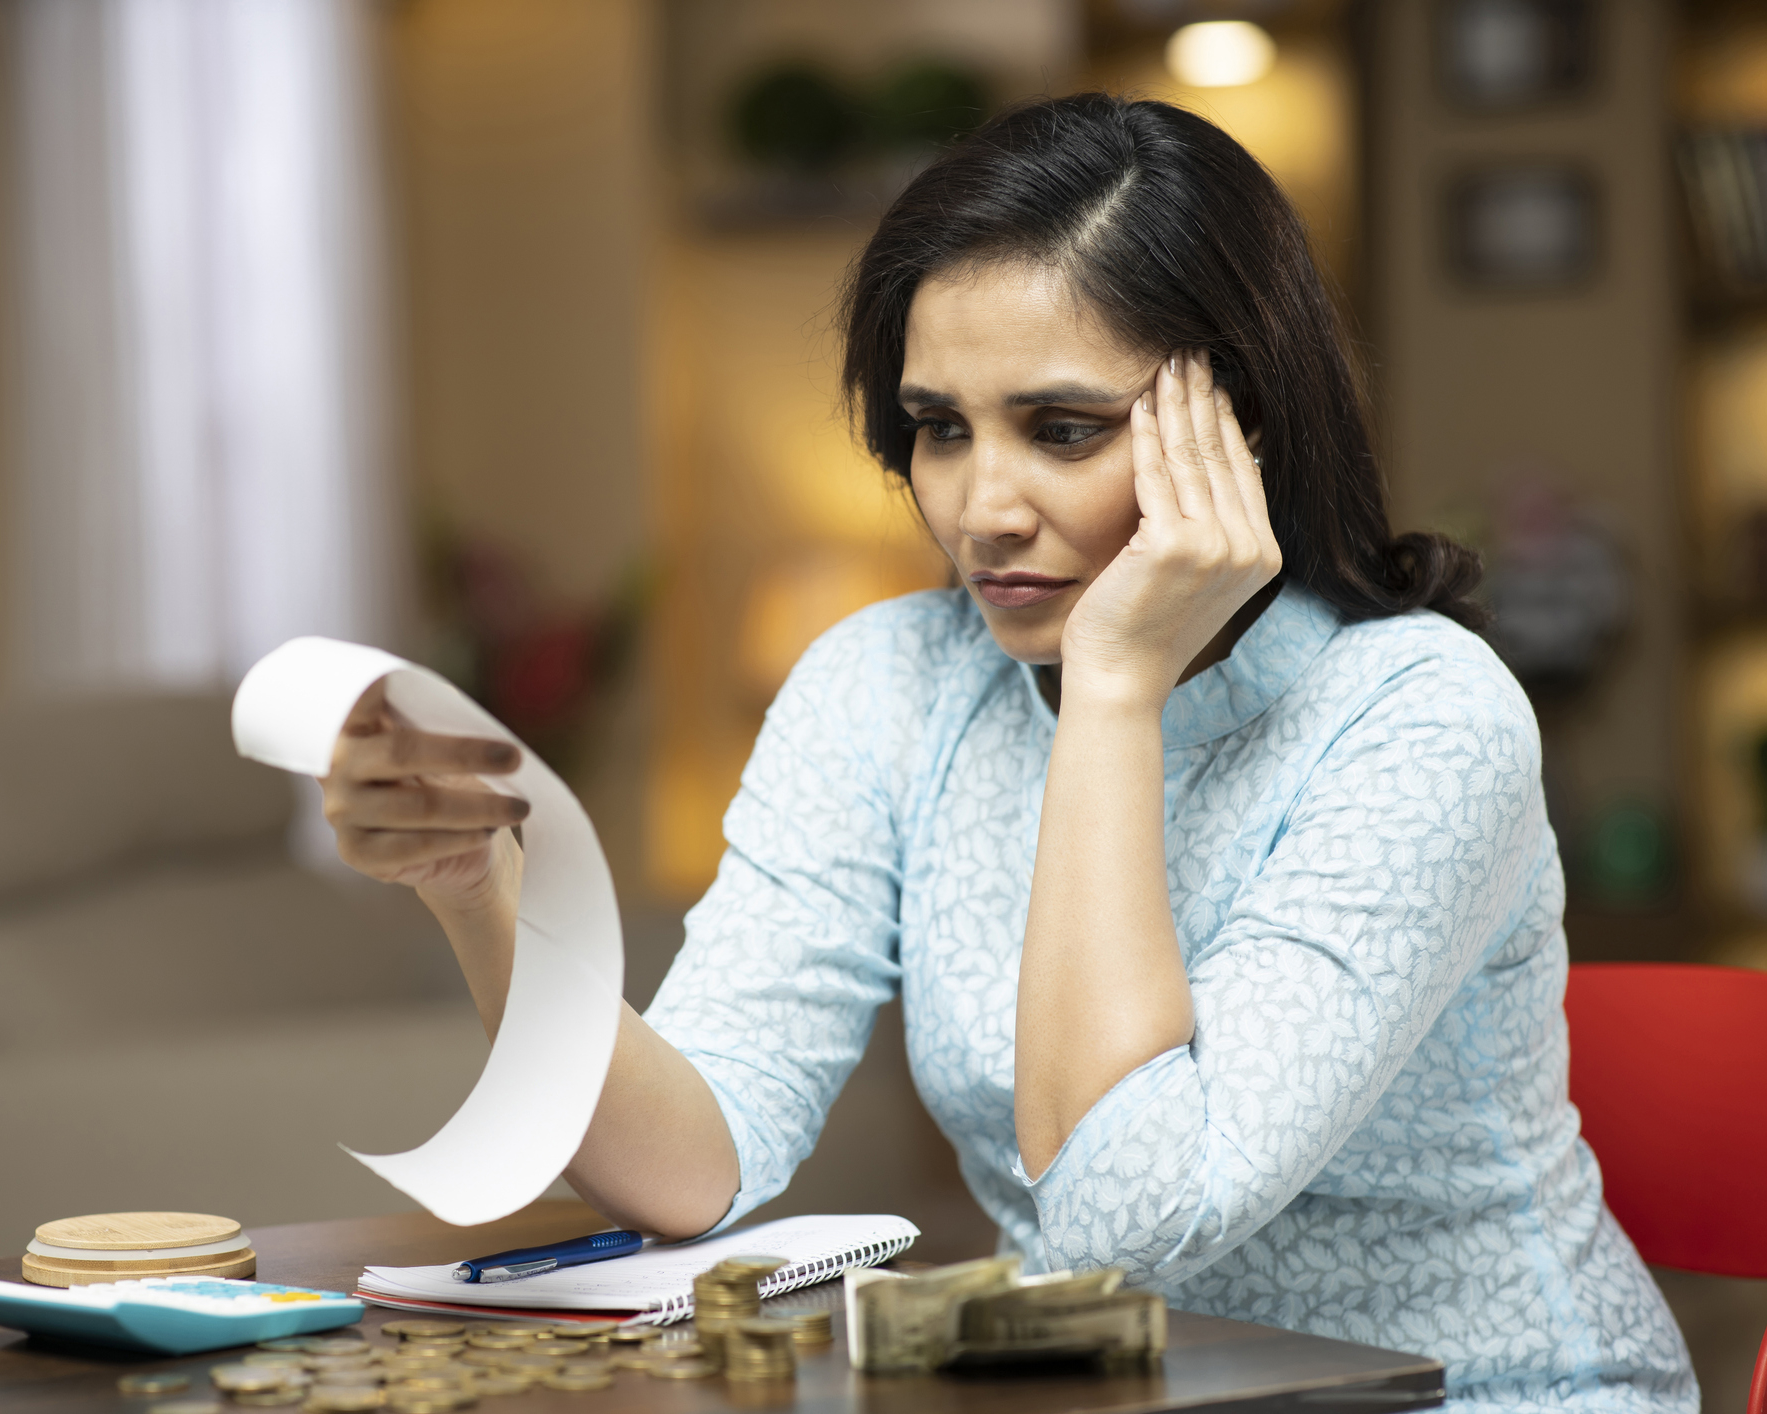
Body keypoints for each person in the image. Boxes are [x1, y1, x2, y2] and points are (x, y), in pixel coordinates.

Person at [321, 94, 1695, 1412]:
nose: (981, 508)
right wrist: (479, 892)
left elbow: (1120, 1211)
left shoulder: (1415, 715)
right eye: (936, 428)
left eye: (1062, 429)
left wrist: (1111, 688)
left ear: (1242, 426)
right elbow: (692, 1165)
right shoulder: (884, 685)